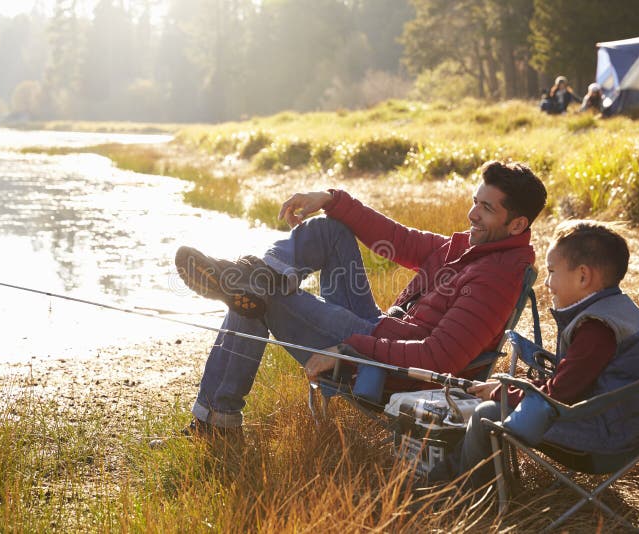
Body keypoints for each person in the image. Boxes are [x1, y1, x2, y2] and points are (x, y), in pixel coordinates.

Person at [173, 161, 547, 437]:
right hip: (384, 328)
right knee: (330, 230)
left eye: (486, 208)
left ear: (517, 225)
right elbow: (397, 239)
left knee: (258, 296)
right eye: (475, 201)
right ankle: (261, 274)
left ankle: (215, 420)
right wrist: (329, 199)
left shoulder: (496, 278)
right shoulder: (468, 248)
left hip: (388, 370)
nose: (472, 214)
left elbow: (440, 358)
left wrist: (350, 347)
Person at [430, 221, 639, 488]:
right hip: (629, 425)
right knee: (496, 404)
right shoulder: (618, 310)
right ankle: (452, 479)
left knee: (487, 414)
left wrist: (503, 393)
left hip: (607, 440)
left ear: (583, 277)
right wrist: (511, 389)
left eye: (552, 271)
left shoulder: (596, 328)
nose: (548, 283)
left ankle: (461, 492)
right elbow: (572, 383)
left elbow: (560, 394)